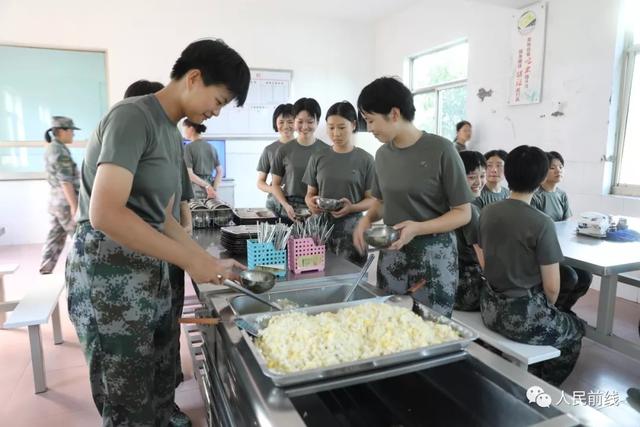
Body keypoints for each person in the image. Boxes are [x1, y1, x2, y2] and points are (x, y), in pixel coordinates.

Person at [66, 39, 249, 426]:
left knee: (160, 369)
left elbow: (161, 217)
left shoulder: (169, 131)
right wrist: (189, 259)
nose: (215, 112)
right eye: (218, 100)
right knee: (127, 389)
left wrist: (205, 261)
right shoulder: (132, 117)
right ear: (194, 78)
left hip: (150, 266)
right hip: (110, 271)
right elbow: (105, 213)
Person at [353, 77, 473, 318]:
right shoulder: (383, 154)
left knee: (431, 330)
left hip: (433, 259)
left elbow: (463, 213)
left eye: (371, 120)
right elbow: (382, 201)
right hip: (393, 257)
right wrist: (365, 220)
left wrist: (417, 228)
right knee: (393, 326)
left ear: (394, 113)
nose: (369, 128)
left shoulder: (441, 150)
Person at [478, 145, 585, 386]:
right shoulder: (541, 222)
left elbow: (484, 259)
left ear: (508, 175)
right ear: (540, 180)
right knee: (576, 330)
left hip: (489, 307)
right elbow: (552, 289)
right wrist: (548, 311)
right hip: (521, 316)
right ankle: (538, 388)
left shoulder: (487, 212)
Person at [123, 79, 194, 426]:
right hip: (124, 267)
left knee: (166, 334)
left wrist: (190, 248)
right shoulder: (126, 134)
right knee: (129, 363)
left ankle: (166, 408)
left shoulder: (170, 144)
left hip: (163, 260)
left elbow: (175, 207)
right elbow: (108, 214)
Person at [303, 101, 375, 266]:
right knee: (317, 275)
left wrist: (352, 207)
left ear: (354, 125)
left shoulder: (366, 160)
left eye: (342, 127)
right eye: (331, 127)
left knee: (351, 279)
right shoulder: (317, 157)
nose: (336, 133)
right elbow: (310, 194)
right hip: (319, 228)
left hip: (352, 230)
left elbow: (372, 199)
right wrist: (311, 203)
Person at [532, 151, 592, 312]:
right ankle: (552, 312)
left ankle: (565, 309)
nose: (558, 170)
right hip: (544, 252)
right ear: (543, 169)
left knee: (586, 276)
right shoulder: (536, 196)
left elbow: (567, 224)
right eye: (552, 167)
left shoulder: (561, 195)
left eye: (561, 167)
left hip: (563, 250)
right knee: (570, 277)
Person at [271, 97, 330, 221]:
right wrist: (286, 206)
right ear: (295, 121)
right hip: (290, 209)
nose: (305, 126)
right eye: (300, 121)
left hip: (317, 209)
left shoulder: (327, 151)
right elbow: (275, 185)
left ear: (317, 122)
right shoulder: (283, 150)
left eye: (310, 121)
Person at [40, 116, 81, 274]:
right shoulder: (58, 150)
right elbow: (65, 181)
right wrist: (74, 206)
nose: (73, 134)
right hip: (64, 202)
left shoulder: (53, 147)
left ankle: (45, 270)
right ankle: (84, 273)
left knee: (55, 237)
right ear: (61, 131)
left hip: (56, 202)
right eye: (71, 130)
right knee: (80, 237)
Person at [454, 151, 487, 311]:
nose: (479, 182)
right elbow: (483, 260)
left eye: (482, 176)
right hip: (468, 290)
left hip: (449, 284)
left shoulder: (448, 203)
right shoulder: (469, 210)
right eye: (472, 176)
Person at [256, 103, 294, 217]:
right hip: (274, 204)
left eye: (290, 122)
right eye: (281, 122)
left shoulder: (304, 149)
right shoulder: (269, 150)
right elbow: (260, 182)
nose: (286, 126)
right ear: (275, 123)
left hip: (296, 204)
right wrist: (274, 189)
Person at [183, 119, 222, 199]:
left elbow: (190, 175)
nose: (183, 132)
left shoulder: (188, 148)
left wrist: (206, 186)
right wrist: (213, 189)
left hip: (195, 191)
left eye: (184, 129)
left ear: (191, 129)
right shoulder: (212, 147)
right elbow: (220, 172)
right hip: (210, 192)